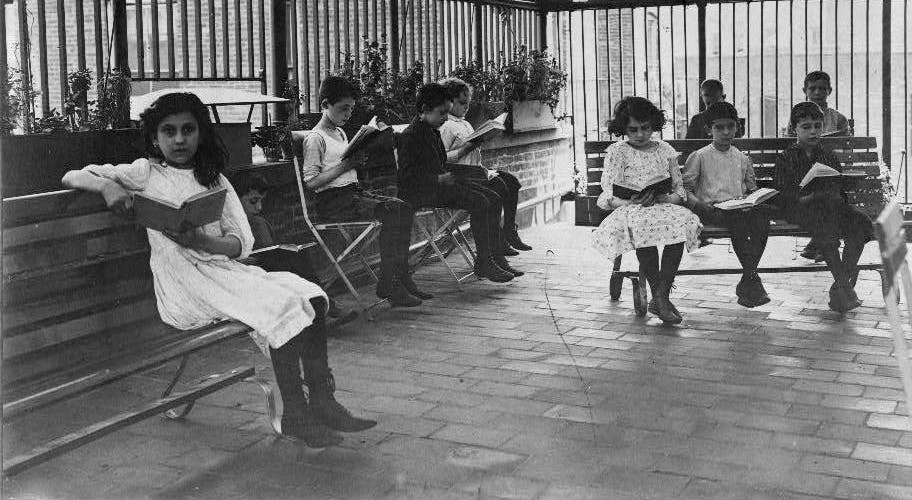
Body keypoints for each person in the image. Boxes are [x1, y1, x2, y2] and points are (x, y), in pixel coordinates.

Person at [60, 92, 375, 448]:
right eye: (168, 131)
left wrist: (203, 242)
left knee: (312, 297)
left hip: (221, 270)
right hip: (183, 284)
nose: (179, 139)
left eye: (188, 130)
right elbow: (71, 175)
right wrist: (106, 186)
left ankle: (322, 399)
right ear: (154, 138)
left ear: (201, 134)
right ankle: (296, 414)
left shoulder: (213, 180)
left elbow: (240, 242)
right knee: (283, 305)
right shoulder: (144, 173)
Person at [299, 76, 429, 308]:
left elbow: (343, 166)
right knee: (392, 211)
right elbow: (311, 182)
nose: (348, 114)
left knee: (404, 208)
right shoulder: (315, 139)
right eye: (343, 109)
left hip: (353, 194)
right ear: (324, 105)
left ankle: (400, 276)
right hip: (334, 203)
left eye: (351, 109)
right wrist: (346, 166)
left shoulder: (339, 133)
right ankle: (389, 282)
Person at [592, 96, 702, 324]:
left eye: (645, 128)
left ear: (654, 125)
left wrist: (667, 196)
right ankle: (659, 296)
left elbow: (679, 190)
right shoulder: (617, 152)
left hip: (662, 206)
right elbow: (608, 193)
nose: (640, 135)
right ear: (623, 128)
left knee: (683, 222)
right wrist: (630, 202)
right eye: (633, 130)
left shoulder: (665, 150)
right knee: (642, 225)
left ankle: (660, 296)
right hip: (631, 209)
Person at [397, 82, 515, 283]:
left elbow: (441, 162)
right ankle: (484, 262)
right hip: (424, 190)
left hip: (439, 184)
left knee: (493, 196)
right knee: (480, 201)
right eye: (442, 113)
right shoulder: (411, 136)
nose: (445, 119)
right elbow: (406, 178)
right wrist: (437, 178)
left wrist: (461, 174)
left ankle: (491, 257)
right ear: (425, 109)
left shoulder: (431, 130)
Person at [773, 102, 873, 313]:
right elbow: (784, 194)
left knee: (861, 223)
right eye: (806, 127)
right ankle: (844, 287)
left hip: (831, 205)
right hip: (801, 209)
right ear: (794, 130)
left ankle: (840, 287)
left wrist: (841, 186)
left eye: (817, 126)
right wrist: (808, 196)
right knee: (825, 225)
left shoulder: (828, 155)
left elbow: (838, 185)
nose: (813, 132)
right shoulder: (786, 157)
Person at [233, 174, 357, 326]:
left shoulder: (255, 222)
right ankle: (323, 307)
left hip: (260, 265)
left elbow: (266, 250)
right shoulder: (232, 224)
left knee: (296, 255)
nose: (259, 207)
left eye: (260, 201)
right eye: (253, 201)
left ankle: (322, 306)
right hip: (240, 272)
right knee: (291, 260)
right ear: (234, 200)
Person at [437, 77, 533, 270]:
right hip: (461, 175)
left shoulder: (464, 124)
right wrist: (467, 148)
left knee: (511, 181)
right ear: (449, 102)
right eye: (462, 103)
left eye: (468, 103)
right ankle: (495, 249)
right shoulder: (446, 126)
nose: (466, 107)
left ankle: (508, 232)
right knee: (498, 188)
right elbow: (441, 158)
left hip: (475, 171)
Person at [683, 102, 771, 308]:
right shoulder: (700, 156)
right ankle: (751, 280)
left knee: (762, 217)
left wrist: (753, 198)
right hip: (711, 210)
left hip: (738, 208)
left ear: (736, 128)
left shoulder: (741, 157)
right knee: (739, 221)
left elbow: (751, 188)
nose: (725, 132)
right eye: (719, 127)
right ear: (708, 130)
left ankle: (749, 278)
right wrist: (699, 205)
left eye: (730, 126)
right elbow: (684, 190)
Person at [789, 70, 852, 262]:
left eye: (822, 89)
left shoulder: (838, 118)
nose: (817, 92)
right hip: (805, 172)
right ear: (805, 90)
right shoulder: (797, 114)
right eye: (813, 88)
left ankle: (819, 244)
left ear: (830, 91)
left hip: (830, 170)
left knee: (828, 195)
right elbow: (790, 143)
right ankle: (823, 244)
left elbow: (846, 147)